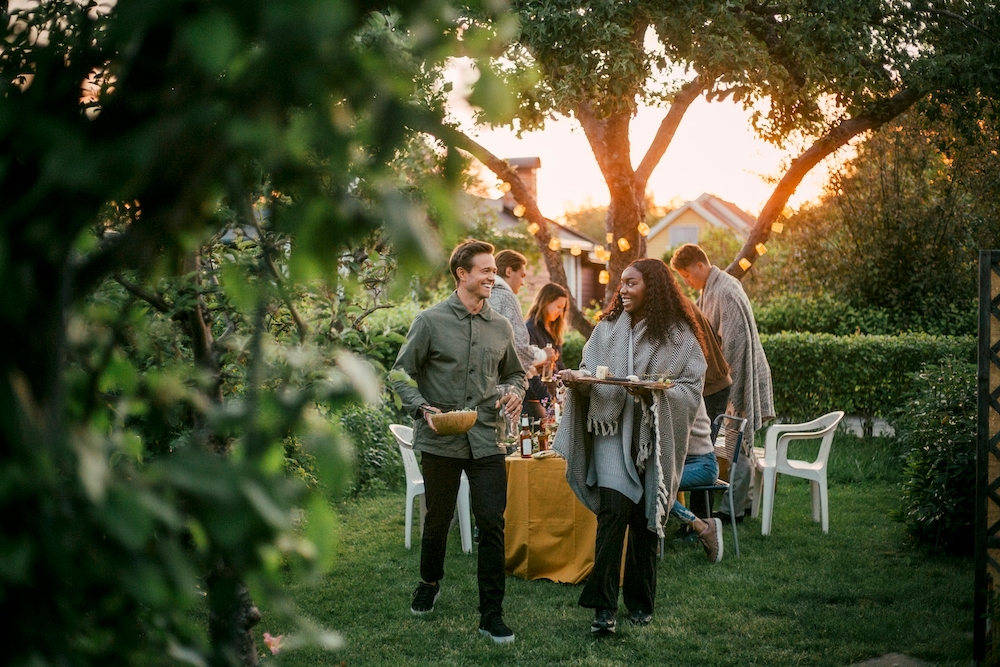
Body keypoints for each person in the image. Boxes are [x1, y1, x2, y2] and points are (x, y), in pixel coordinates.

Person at [553, 258, 720, 634]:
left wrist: (655, 394)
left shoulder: (679, 336)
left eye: (632, 283)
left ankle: (641, 602)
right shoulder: (607, 328)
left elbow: (690, 387)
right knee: (612, 518)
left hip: (652, 439)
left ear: (654, 287)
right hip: (611, 433)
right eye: (622, 284)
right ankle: (603, 610)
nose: (623, 290)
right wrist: (577, 379)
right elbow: (589, 368)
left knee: (647, 518)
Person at [391, 239, 525, 644]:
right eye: (485, 270)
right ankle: (429, 582)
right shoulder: (429, 322)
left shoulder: (501, 326)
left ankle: (491, 614)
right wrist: (422, 408)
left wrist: (515, 391)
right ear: (461, 274)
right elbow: (399, 374)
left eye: (494, 271)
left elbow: (516, 374)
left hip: (487, 439)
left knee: (492, 523)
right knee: (437, 520)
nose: (493, 276)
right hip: (441, 439)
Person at [670, 243, 775, 523]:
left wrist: (735, 392)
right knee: (732, 442)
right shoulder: (710, 289)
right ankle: (744, 504)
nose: (687, 282)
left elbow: (735, 346)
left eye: (687, 275)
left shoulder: (725, 291)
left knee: (735, 441)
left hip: (735, 376)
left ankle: (733, 512)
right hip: (724, 376)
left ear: (700, 266)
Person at [489, 250, 556, 402]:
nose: (523, 282)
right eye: (522, 275)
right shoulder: (506, 297)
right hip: (501, 390)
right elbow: (519, 349)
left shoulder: (485, 295)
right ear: (508, 271)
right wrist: (544, 355)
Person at [523, 282, 570, 419]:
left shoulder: (554, 332)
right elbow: (530, 372)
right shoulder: (530, 329)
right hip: (534, 401)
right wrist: (548, 401)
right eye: (559, 306)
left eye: (563, 309)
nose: (561, 313)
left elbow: (560, 367)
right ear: (546, 302)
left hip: (552, 398)